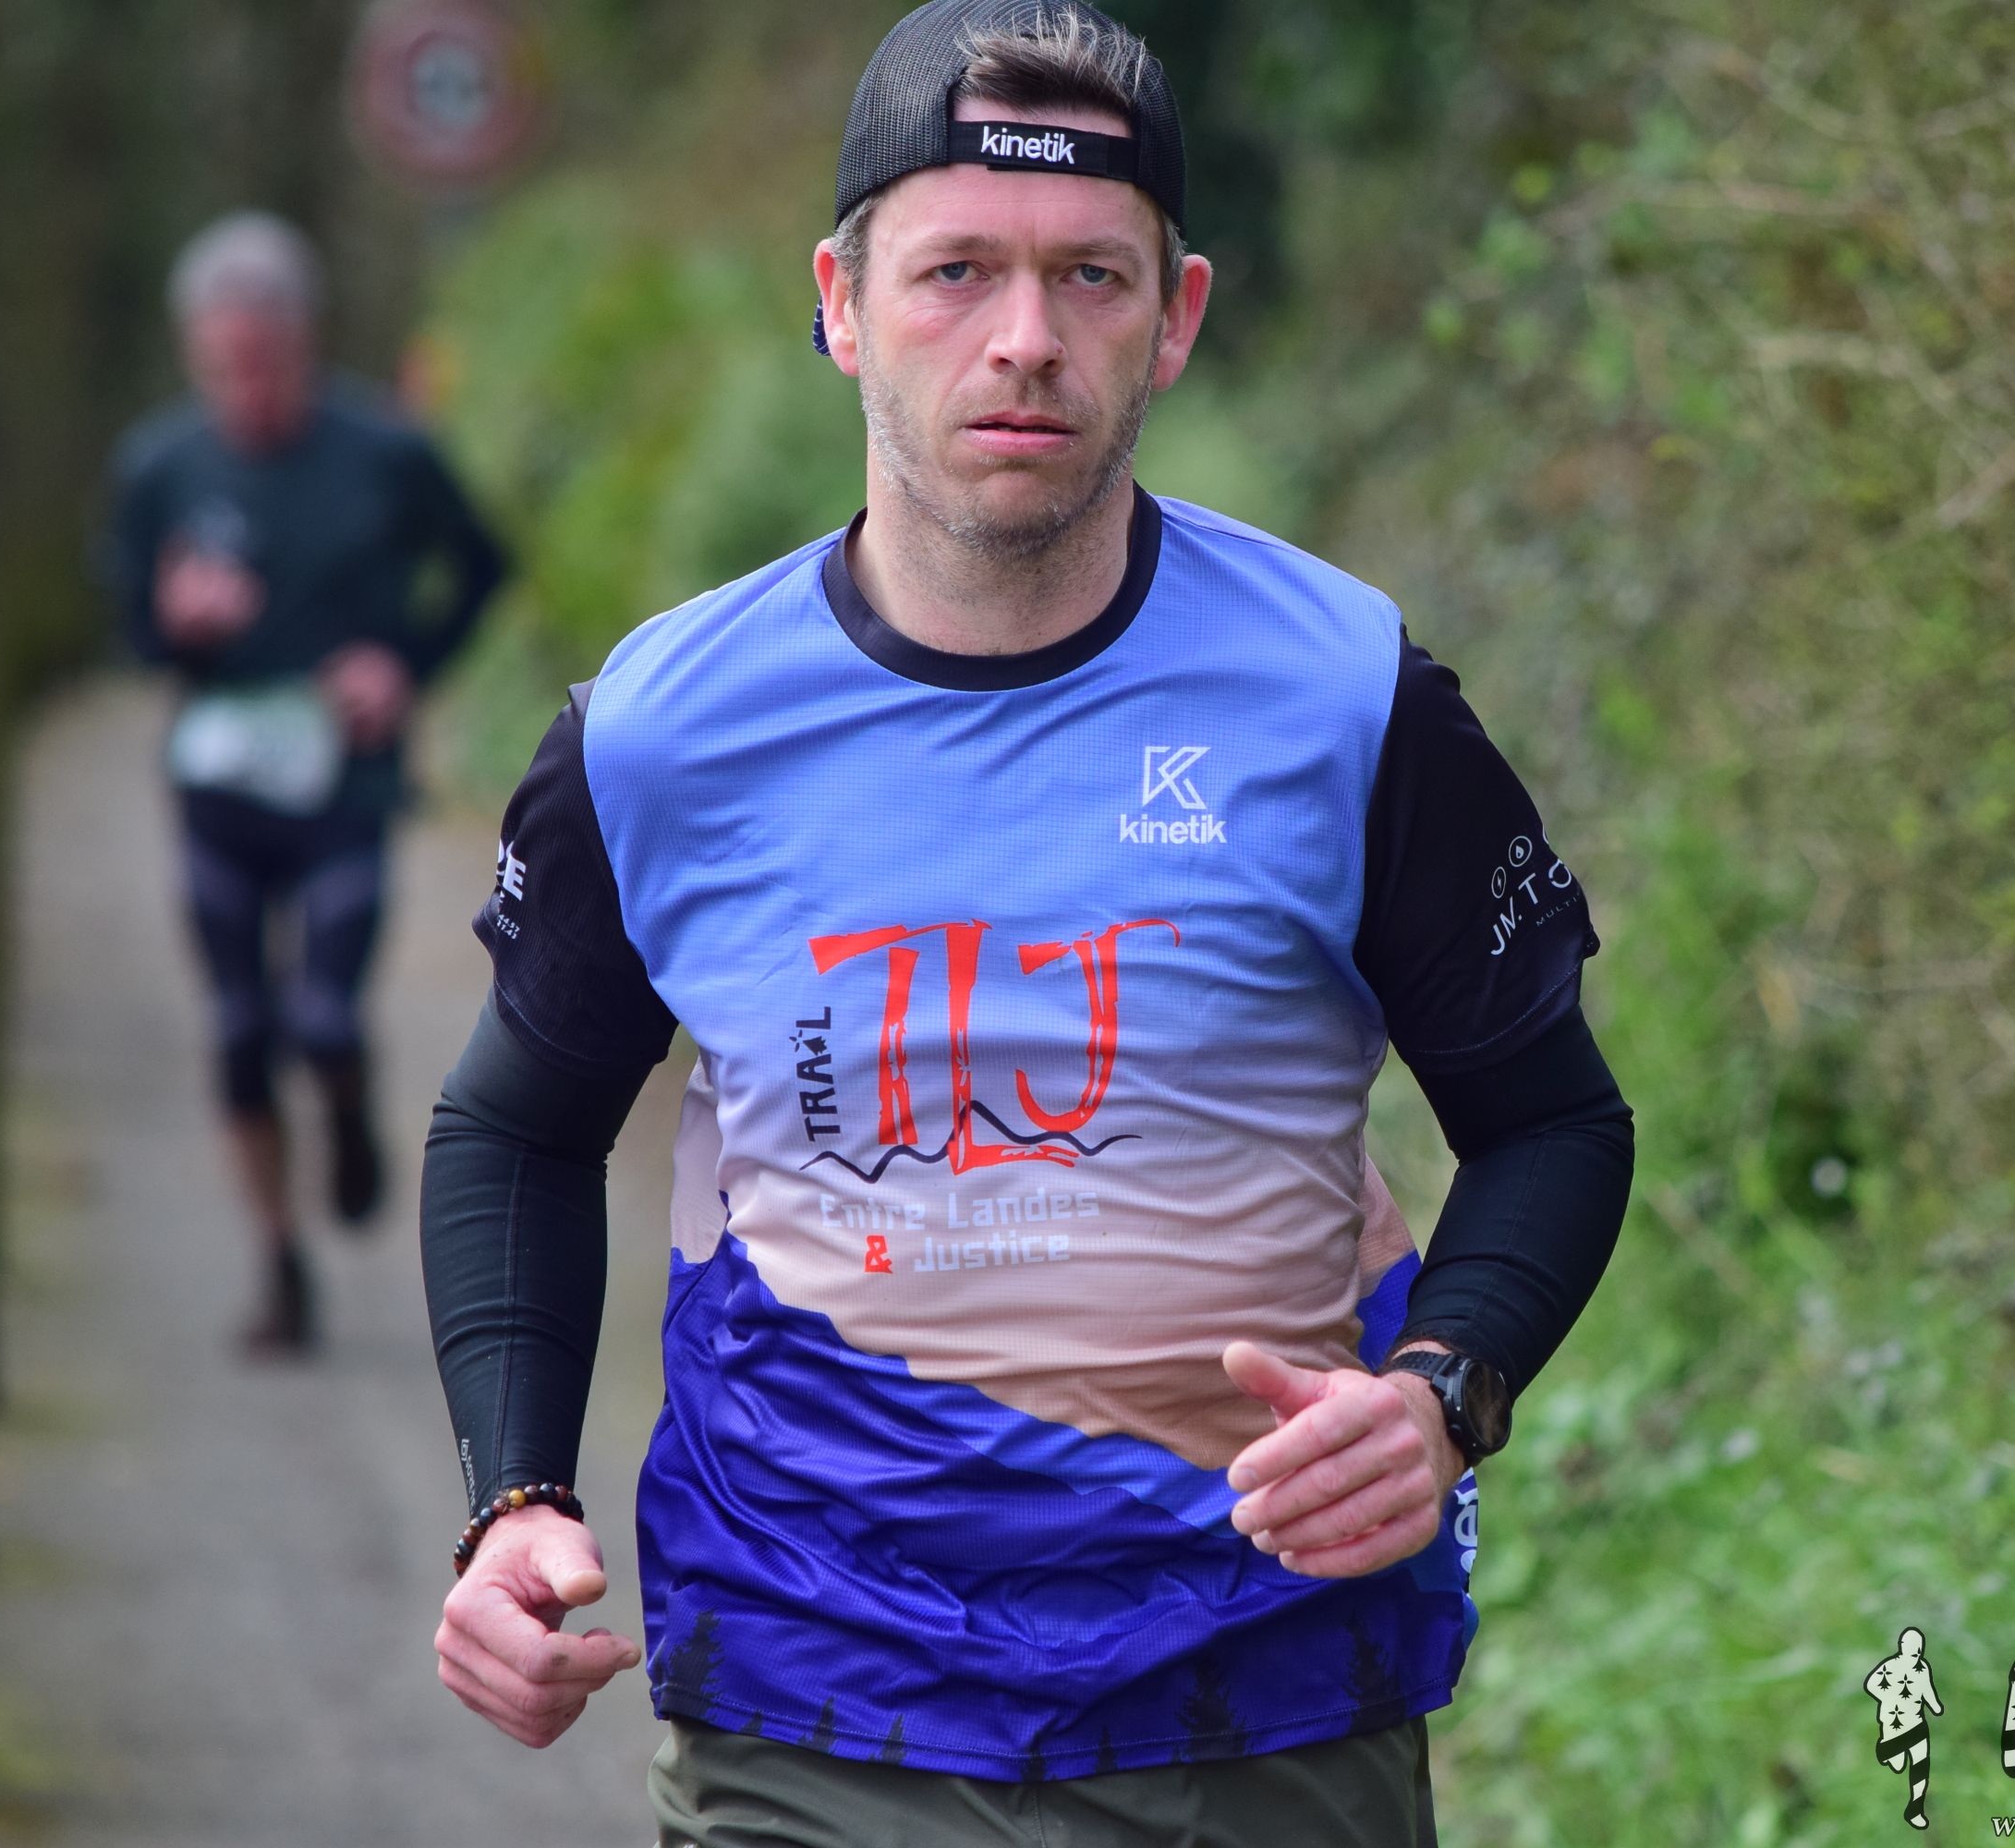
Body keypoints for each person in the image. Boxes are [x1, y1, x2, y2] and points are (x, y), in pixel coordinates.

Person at [419, 4, 1633, 1842]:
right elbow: (514, 1129)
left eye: (1089, 276)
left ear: (1176, 316)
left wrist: (1441, 1391)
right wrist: (513, 1500)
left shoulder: (1339, 696)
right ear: (840, 302)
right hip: (809, 1712)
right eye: (955, 271)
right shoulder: (663, 731)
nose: (1023, 339)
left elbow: (1552, 1121)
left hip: (1263, 1699)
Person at [105, 211, 508, 1357]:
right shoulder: (160, 467)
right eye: (224, 366)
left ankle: (344, 1101)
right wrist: (178, 626)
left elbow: (481, 566)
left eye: (265, 363)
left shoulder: (381, 453)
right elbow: (131, 630)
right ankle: (279, 1264)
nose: (247, 389)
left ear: (303, 343)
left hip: (344, 782)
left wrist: (402, 668)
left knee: (321, 1015)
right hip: (219, 787)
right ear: (195, 353)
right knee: (240, 1030)